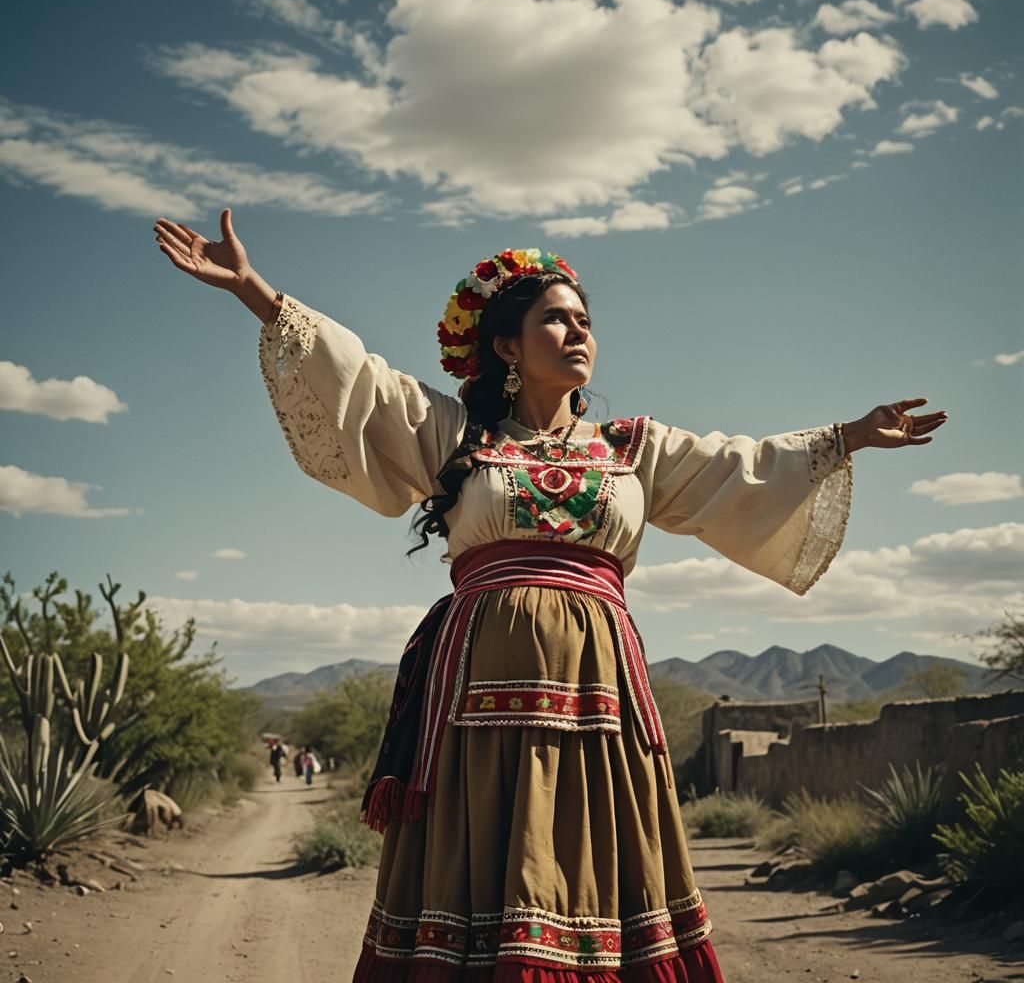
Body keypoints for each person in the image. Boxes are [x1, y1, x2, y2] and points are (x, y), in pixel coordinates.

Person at [153, 209, 948, 983]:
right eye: (556, 321)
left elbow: (738, 467)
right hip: (476, 705)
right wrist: (254, 289)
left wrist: (849, 435)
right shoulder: (457, 437)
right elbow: (357, 381)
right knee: (486, 875)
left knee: (597, 871)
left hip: (598, 695)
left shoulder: (634, 449)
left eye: (584, 322)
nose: (578, 334)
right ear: (506, 345)